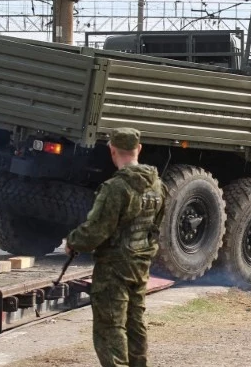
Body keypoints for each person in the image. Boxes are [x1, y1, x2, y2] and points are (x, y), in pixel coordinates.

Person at [66, 128, 166, 367]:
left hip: (114, 268)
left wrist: (73, 241)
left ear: (112, 151)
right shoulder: (158, 186)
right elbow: (156, 226)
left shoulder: (115, 188)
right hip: (140, 264)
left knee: (110, 326)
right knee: (135, 321)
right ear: (138, 149)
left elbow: (97, 230)